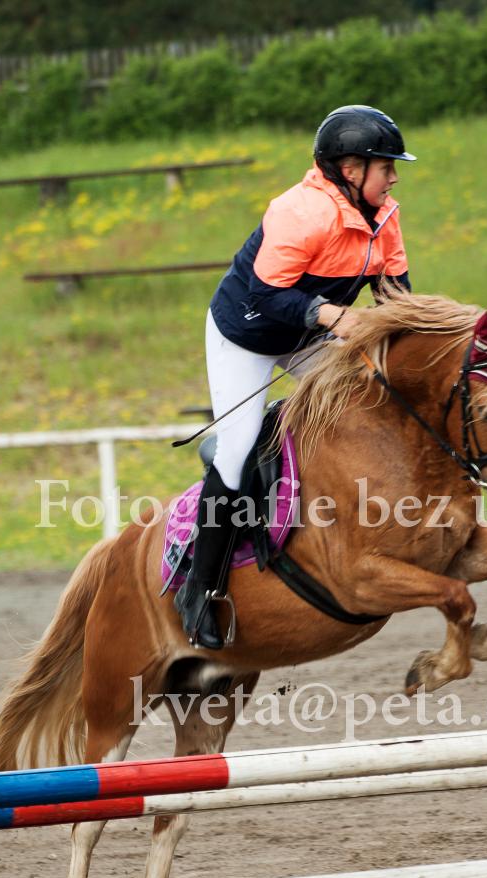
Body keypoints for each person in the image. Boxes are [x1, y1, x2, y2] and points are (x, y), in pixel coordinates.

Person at [175, 104, 416, 649]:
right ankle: (200, 589)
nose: (394, 177)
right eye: (386, 166)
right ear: (350, 169)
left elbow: (396, 296)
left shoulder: (384, 216)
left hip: (308, 333)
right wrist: (335, 317)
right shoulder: (299, 212)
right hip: (246, 334)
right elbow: (265, 294)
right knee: (238, 449)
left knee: (378, 398)